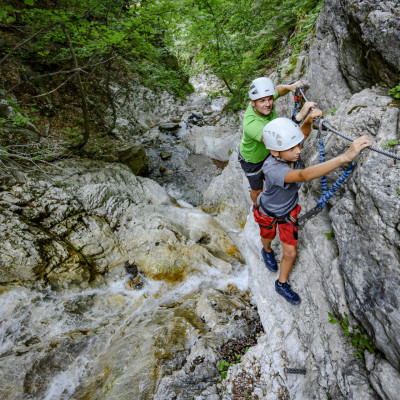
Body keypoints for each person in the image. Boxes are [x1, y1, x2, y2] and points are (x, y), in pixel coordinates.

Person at [254, 117, 371, 305]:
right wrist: (345, 157)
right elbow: (303, 175)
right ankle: (267, 250)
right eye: (292, 148)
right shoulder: (273, 168)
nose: (298, 150)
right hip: (267, 211)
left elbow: (304, 134)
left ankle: (281, 284)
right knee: (267, 235)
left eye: (297, 146)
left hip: (288, 213)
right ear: (274, 151)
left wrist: (308, 120)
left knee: (290, 253)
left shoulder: (288, 151)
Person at [238, 76, 316, 205]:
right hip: (252, 160)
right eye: (262, 101)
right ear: (253, 103)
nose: (268, 104)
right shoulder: (251, 124)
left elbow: (278, 91)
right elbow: (279, 139)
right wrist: (301, 116)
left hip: (267, 152)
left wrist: (290, 87)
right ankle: (258, 209)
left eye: (269, 99)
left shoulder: (264, 101)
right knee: (257, 190)